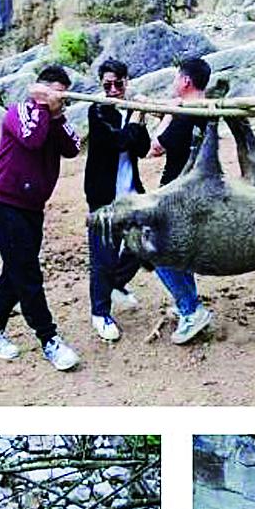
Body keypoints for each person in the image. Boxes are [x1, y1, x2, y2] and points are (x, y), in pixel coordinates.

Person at [0, 64, 81, 371]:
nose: (60, 101)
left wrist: (58, 114)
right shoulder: (19, 112)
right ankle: (49, 339)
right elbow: (32, 139)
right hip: (5, 204)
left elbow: (73, 148)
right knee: (28, 273)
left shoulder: (54, 118)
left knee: (15, 270)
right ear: (42, 90)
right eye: (57, 94)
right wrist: (41, 105)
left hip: (33, 209)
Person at [146, 57, 214, 344]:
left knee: (155, 249)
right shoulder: (208, 108)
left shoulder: (185, 114)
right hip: (199, 189)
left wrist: (166, 114)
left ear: (185, 81)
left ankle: (190, 309)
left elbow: (155, 148)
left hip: (178, 192)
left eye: (176, 77)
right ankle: (187, 301)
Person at [84, 57, 150, 342]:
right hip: (104, 198)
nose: (112, 89)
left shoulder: (130, 109)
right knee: (103, 257)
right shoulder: (97, 111)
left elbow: (143, 148)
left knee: (144, 244)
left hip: (131, 193)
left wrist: (141, 117)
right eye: (107, 84)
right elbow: (118, 142)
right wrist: (136, 117)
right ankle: (100, 313)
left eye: (117, 84)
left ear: (126, 82)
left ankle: (117, 283)